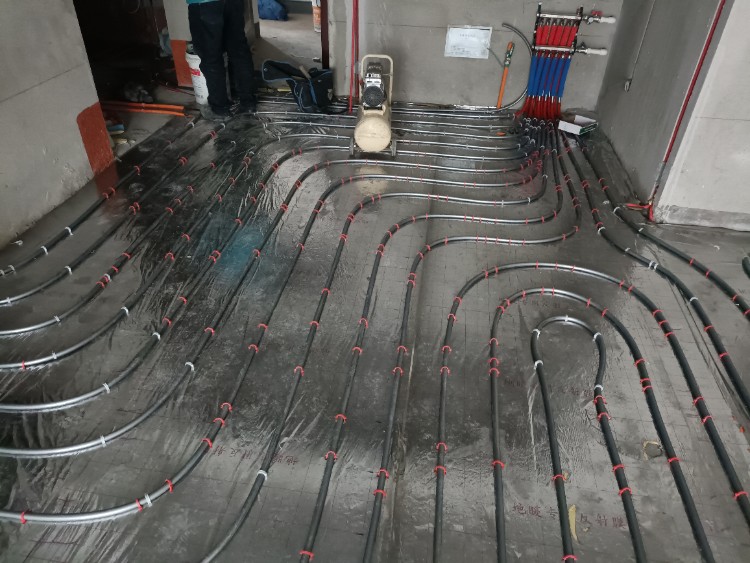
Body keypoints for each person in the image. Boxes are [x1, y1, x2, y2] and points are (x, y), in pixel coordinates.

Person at [186, 0, 257, 121]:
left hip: (205, 4)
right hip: (233, 3)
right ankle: (248, 102)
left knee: (211, 56)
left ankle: (219, 108)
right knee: (239, 51)